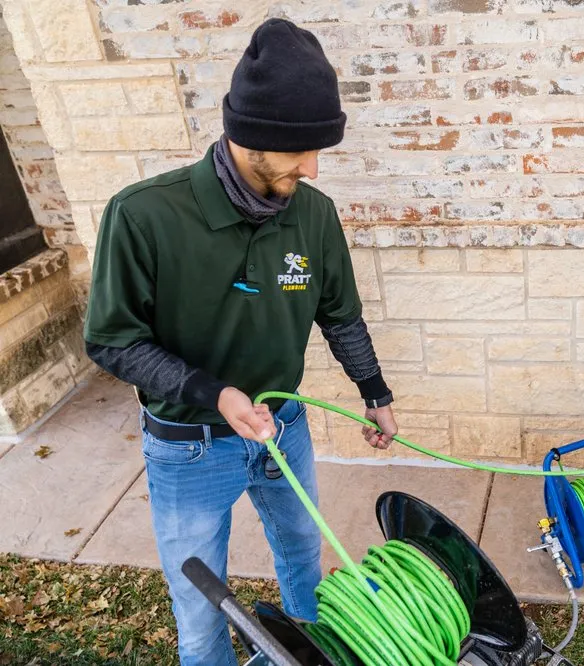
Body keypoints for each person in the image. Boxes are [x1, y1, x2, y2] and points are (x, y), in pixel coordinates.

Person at [83, 19, 398, 666]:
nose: (312, 168)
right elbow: (112, 341)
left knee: (304, 565)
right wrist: (215, 393)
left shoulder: (314, 214)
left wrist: (375, 393)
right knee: (203, 618)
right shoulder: (143, 216)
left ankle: (310, 655)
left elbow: (339, 315)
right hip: (189, 447)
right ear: (250, 135)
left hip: (285, 428)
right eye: (300, 150)